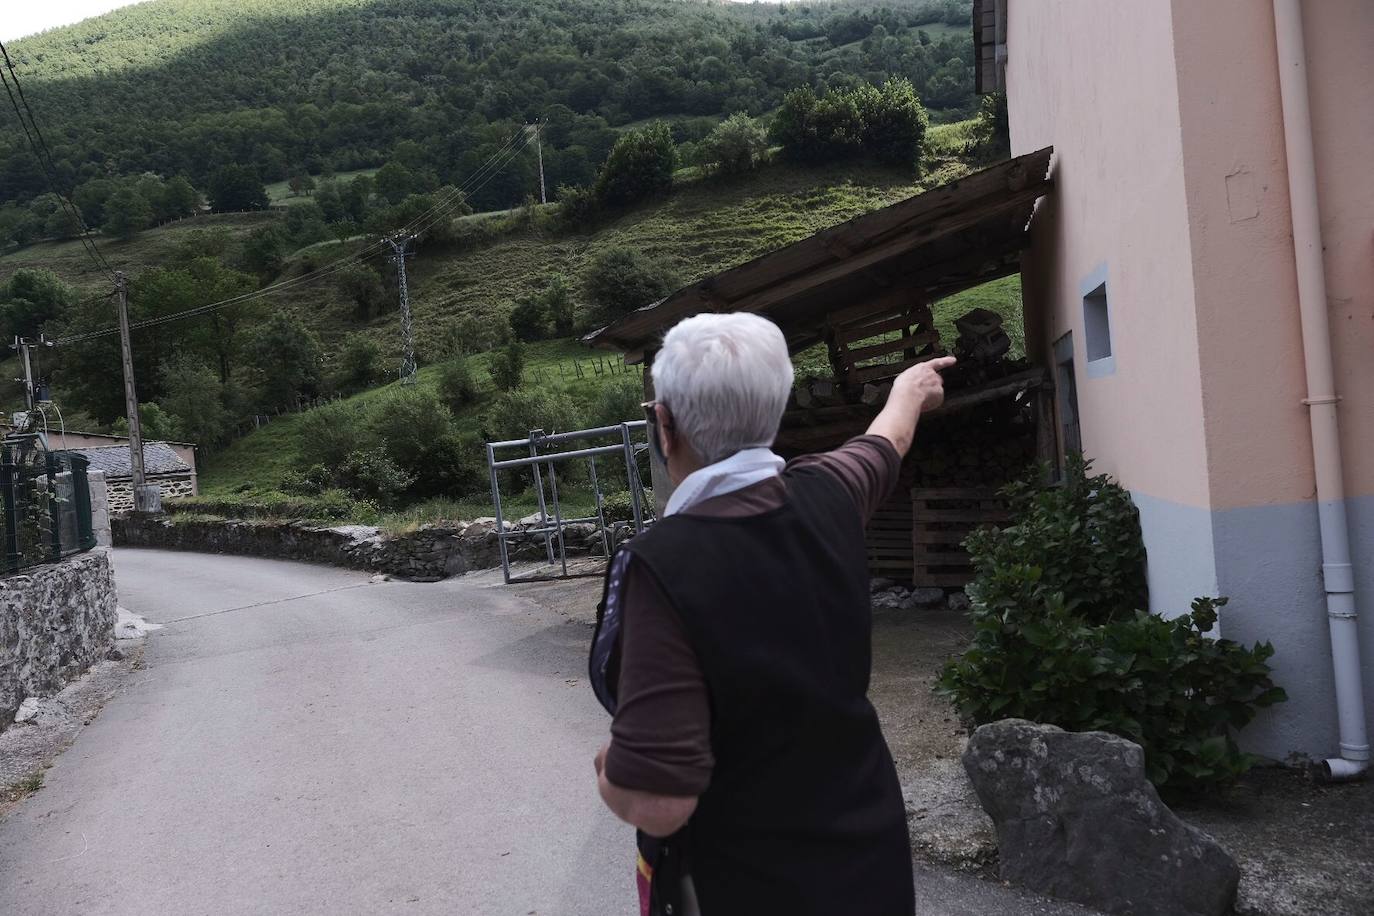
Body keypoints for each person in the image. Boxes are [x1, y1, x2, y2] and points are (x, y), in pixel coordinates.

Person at [588, 312, 955, 916]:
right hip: (869, 861)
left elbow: (660, 801)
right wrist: (910, 390)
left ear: (665, 425)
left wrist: (611, 769)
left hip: (750, 884)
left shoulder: (661, 567)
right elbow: (887, 443)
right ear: (774, 413)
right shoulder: (831, 493)